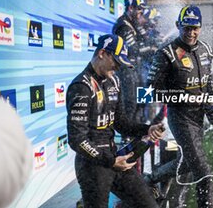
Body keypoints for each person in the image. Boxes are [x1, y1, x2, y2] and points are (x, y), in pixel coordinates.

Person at [66, 34, 165, 208]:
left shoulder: (114, 81)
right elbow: (77, 139)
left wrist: (147, 129)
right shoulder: (81, 87)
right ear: (102, 53)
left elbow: (121, 124)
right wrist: (110, 161)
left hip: (115, 159)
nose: (118, 67)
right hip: (92, 166)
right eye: (117, 61)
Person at [146, 5, 213, 208]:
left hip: (199, 118)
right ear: (178, 26)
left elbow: (207, 83)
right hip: (180, 118)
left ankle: (150, 178)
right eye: (186, 27)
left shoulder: (206, 49)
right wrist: (182, 97)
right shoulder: (166, 54)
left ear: (201, 27)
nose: (191, 32)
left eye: (195, 28)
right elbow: (149, 91)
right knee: (204, 172)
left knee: (188, 163)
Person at [112, 0, 148, 122]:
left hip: (135, 67)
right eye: (139, 9)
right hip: (125, 69)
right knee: (130, 101)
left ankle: (141, 123)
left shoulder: (133, 23)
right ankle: (127, 135)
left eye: (142, 10)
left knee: (143, 96)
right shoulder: (124, 25)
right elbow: (133, 49)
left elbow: (144, 41)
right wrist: (151, 49)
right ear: (131, 8)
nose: (141, 13)